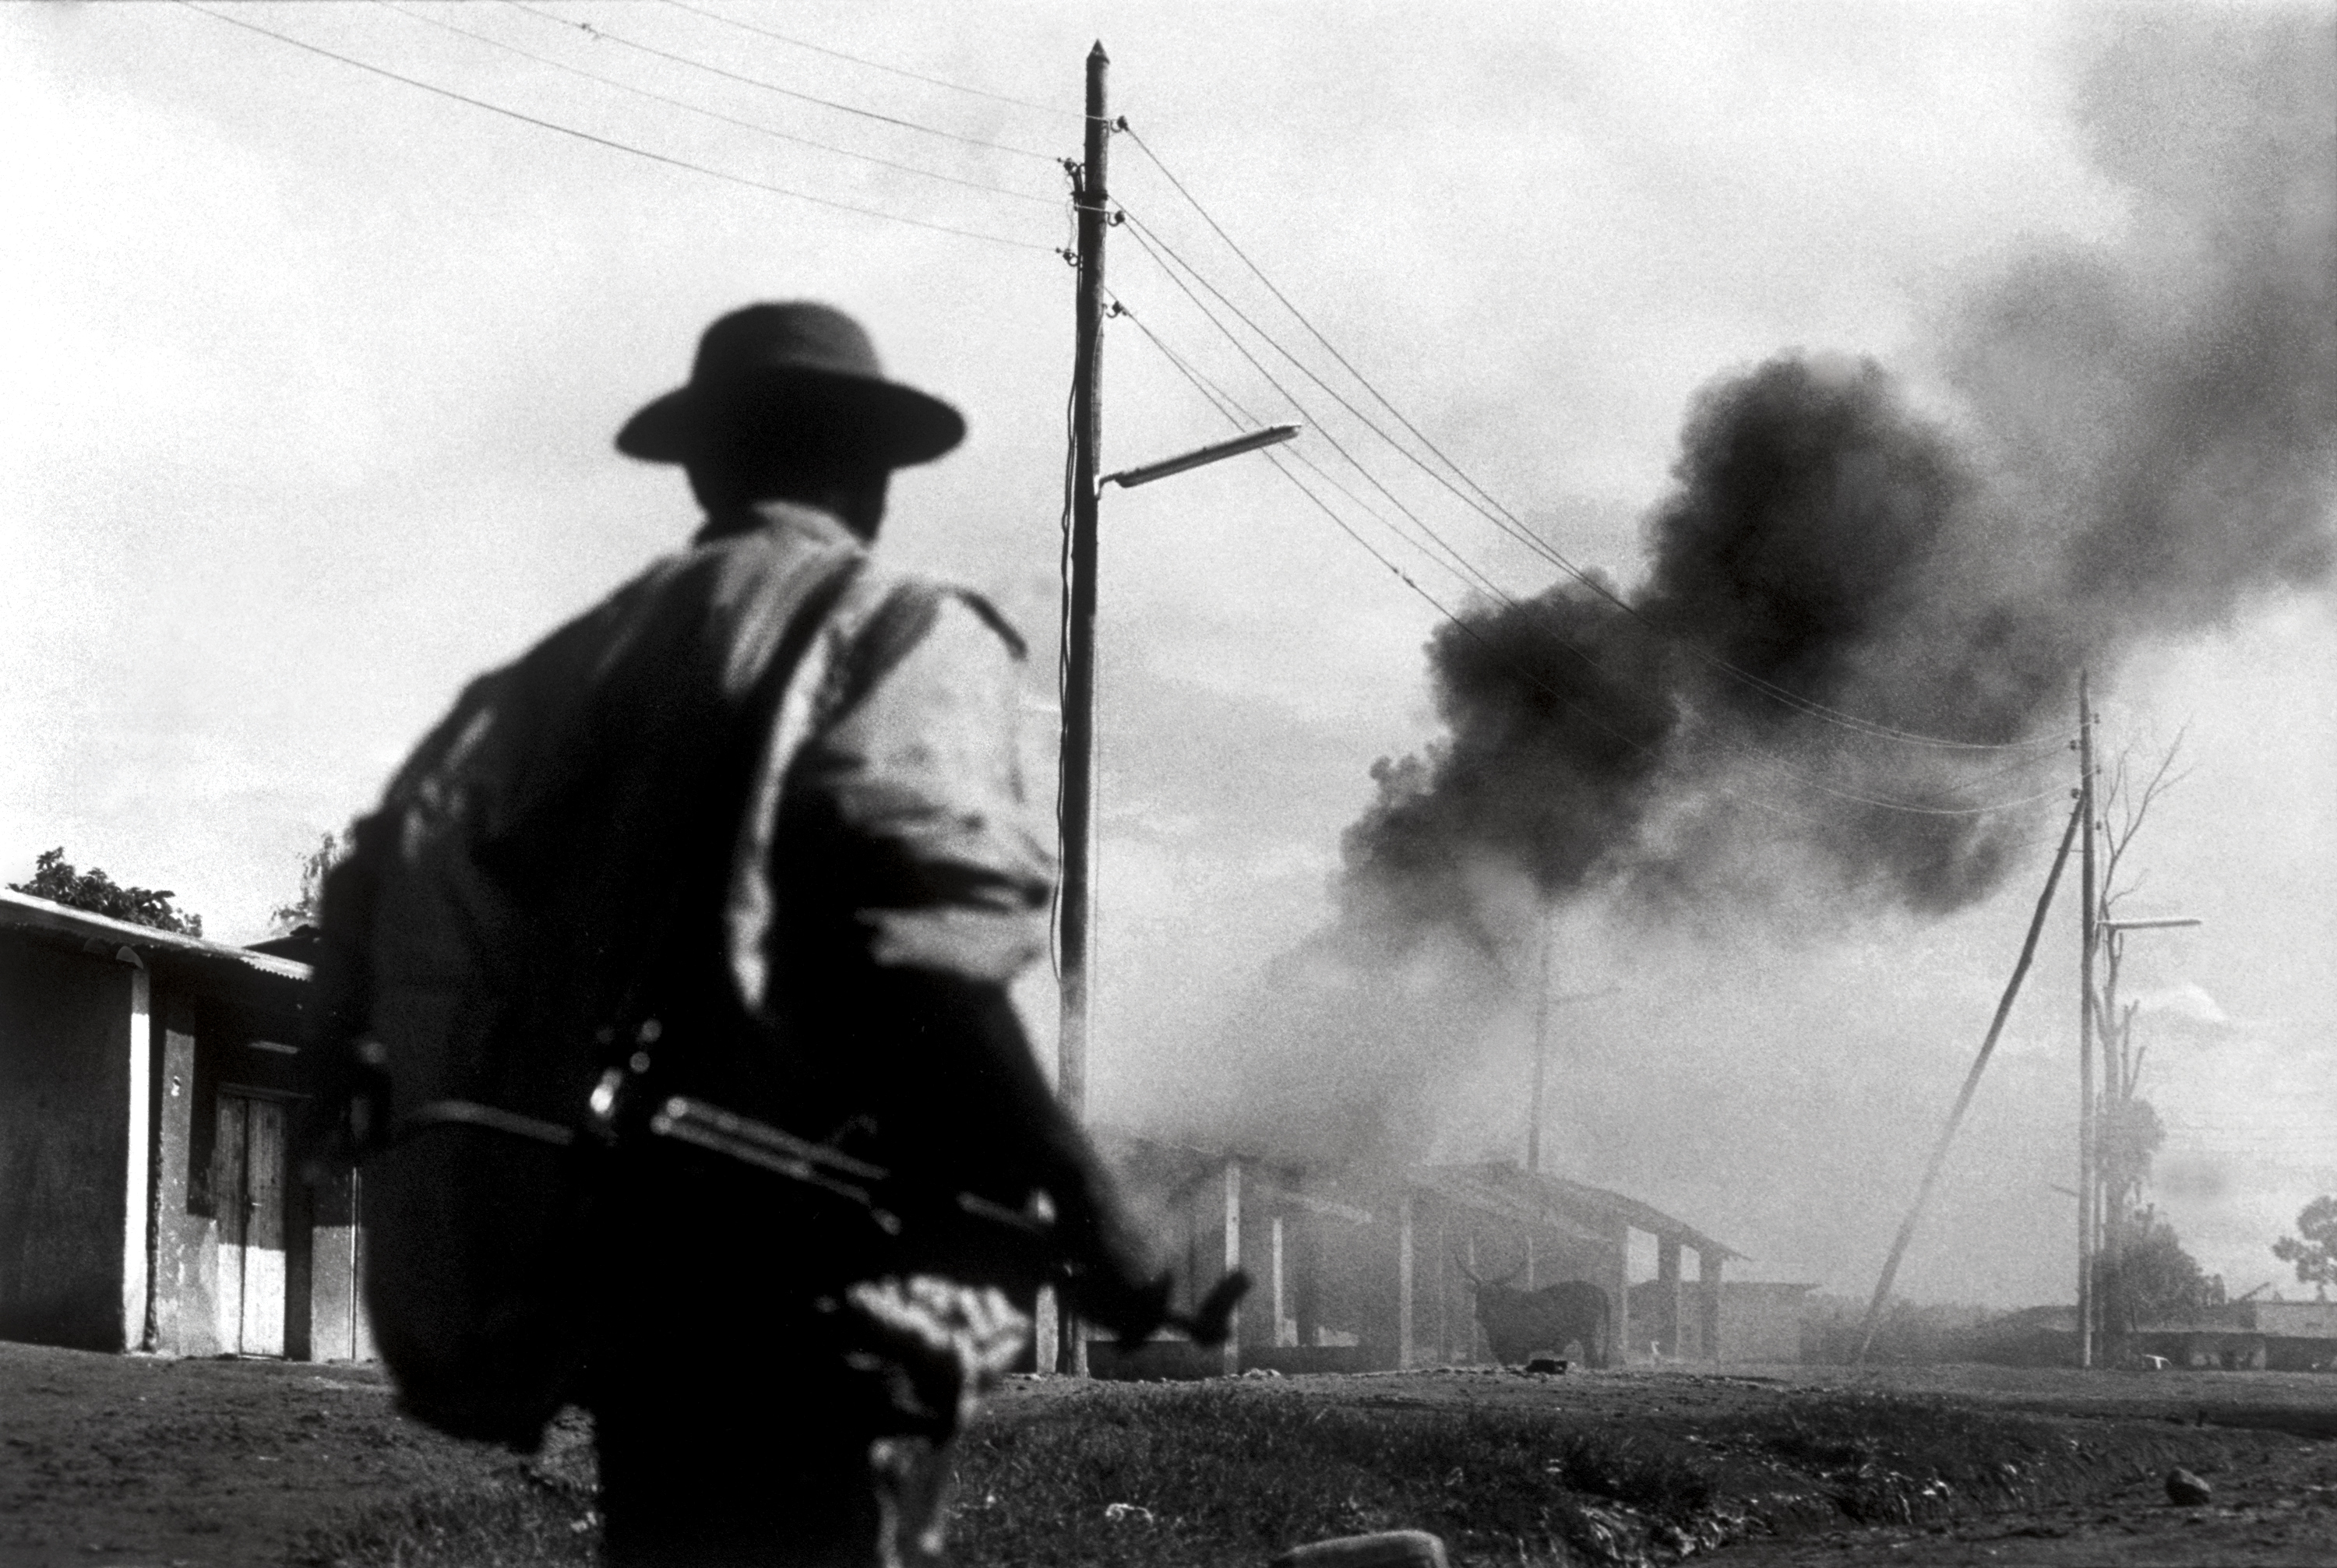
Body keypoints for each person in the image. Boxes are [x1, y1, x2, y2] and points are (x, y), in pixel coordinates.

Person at [330, 302, 1165, 1567]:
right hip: (811, 1263)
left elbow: (383, 876)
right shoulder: (897, 629)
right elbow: (919, 940)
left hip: (613, 1257)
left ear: (705, 471)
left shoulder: (572, 663)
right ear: (873, 472)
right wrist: (1093, 1201)